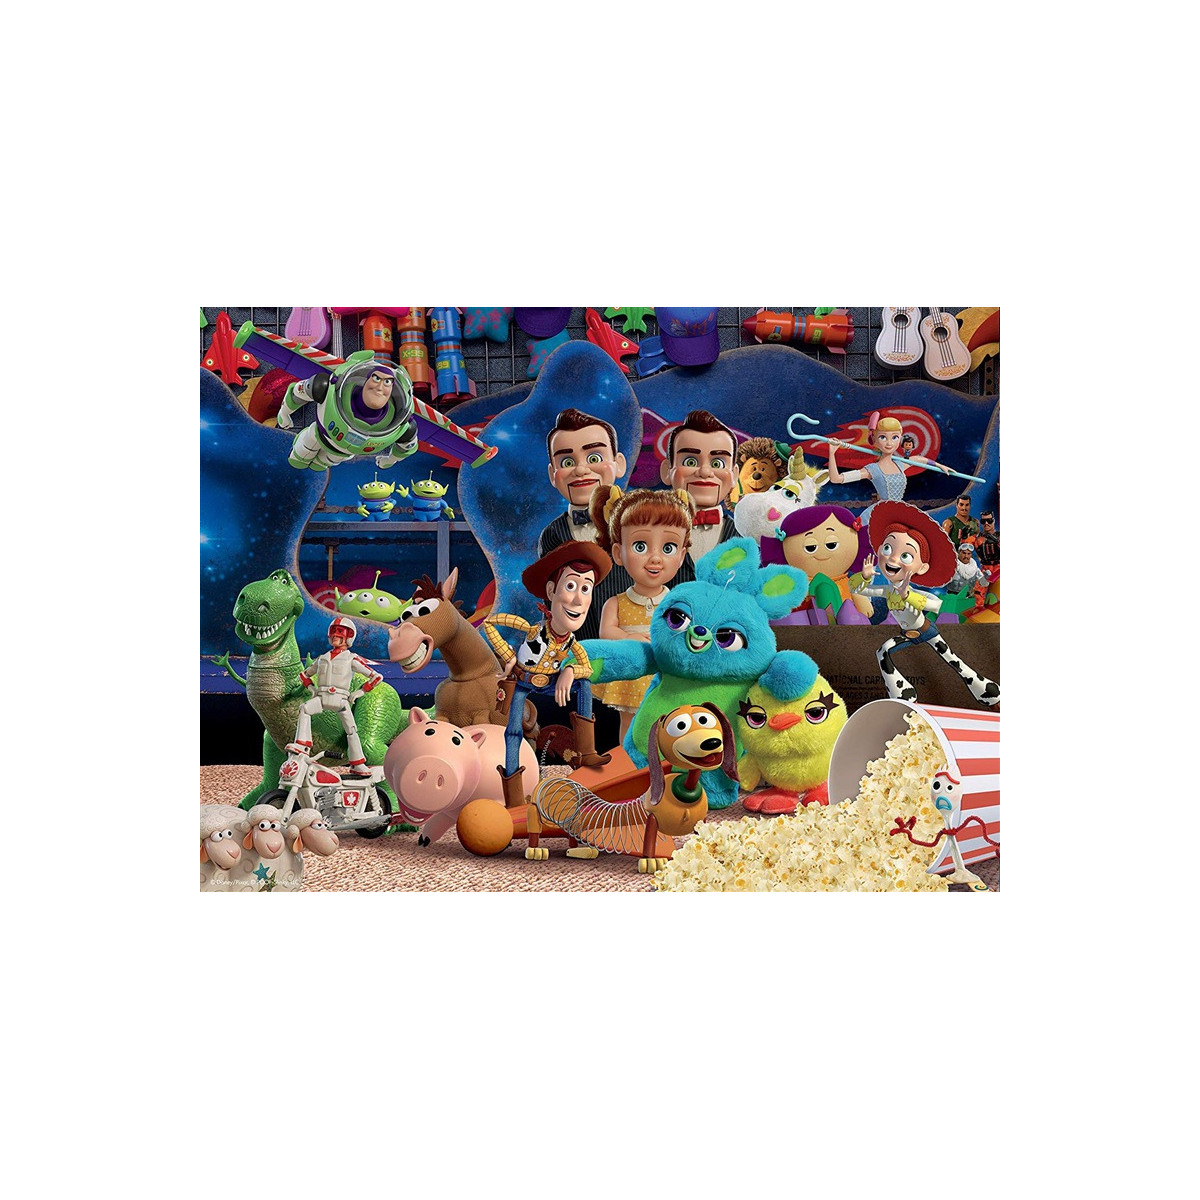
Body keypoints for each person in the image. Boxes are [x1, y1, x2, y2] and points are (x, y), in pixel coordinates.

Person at [483, 542, 613, 808]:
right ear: (552, 591)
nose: (578, 600)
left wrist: (570, 670)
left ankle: (587, 751)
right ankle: (514, 797)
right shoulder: (532, 630)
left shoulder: (572, 643)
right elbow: (489, 623)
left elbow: (586, 668)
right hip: (523, 682)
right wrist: (508, 657)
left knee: (584, 683)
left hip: (551, 683)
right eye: (571, 586)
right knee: (513, 733)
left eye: (586, 589)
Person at [852, 502, 1000, 707]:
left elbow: (935, 605)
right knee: (883, 651)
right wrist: (864, 577)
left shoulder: (911, 592)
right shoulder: (888, 591)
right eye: (887, 548)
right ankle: (904, 696)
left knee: (954, 661)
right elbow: (860, 590)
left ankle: (989, 693)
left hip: (926, 630)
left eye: (905, 555)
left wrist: (908, 596)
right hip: (907, 634)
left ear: (922, 567)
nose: (892, 558)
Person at [588, 486, 696, 740]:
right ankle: (629, 759)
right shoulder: (615, 603)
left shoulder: (678, 602)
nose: (655, 558)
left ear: (682, 556)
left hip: (666, 674)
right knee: (630, 722)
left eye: (668, 548)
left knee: (671, 722)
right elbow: (606, 632)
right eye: (640, 546)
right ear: (618, 553)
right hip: (633, 674)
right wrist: (629, 638)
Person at [536, 407, 629, 640]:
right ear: (552, 474)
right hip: (578, 648)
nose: (580, 469)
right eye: (567, 461)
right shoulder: (553, 535)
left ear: (618, 464)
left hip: (635, 646)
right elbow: (552, 601)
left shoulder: (636, 522)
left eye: (594, 458)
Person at [276, 354, 418, 472]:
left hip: (342, 455)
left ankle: (319, 463)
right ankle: (300, 457)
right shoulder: (324, 387)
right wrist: (284, 413)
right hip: (318, 435)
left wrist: (390, 460)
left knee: (324, 462)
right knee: (302, 452)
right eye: (376, 379)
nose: (380, 387)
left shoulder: (403, 426)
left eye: (387, 382)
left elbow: (407, 448)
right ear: (367, 380)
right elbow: (297, 393)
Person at [287, 616, 383, 774]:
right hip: (321, 697)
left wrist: (360, 692)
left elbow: (376, 677)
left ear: (349, 637)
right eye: (333, 632)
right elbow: (304, 675)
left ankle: (357, 763)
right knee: (305, 708)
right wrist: (312, 688)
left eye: (340, 633)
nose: (335, 636)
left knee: (351, 730)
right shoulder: (322, 658)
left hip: (340, 700)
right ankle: (303, 745)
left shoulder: (351, 659)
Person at [759, 504, 874, 622]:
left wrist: (861, 597)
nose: (822, 553)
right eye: (810, 547)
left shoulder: (847, 582)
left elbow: (855, 589)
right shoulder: (795, 583)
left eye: (831, 544)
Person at [826, 411, 947, 521]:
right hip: (882, 512)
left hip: (899, 510)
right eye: (883, 437)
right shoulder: (873, 469)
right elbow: (836, 479)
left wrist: (940, 466)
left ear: (900, 439)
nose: (889, 443)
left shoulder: (900, 464)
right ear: (874, 439)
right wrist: (832, 453)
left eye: (894, 437)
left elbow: (920, 460)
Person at [660, 409, 737, 577]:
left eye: (717, 463)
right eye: (690, 461)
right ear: (667, 471)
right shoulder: (644, 533)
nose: (705, 472)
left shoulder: (747, 540)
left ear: (734, 475)